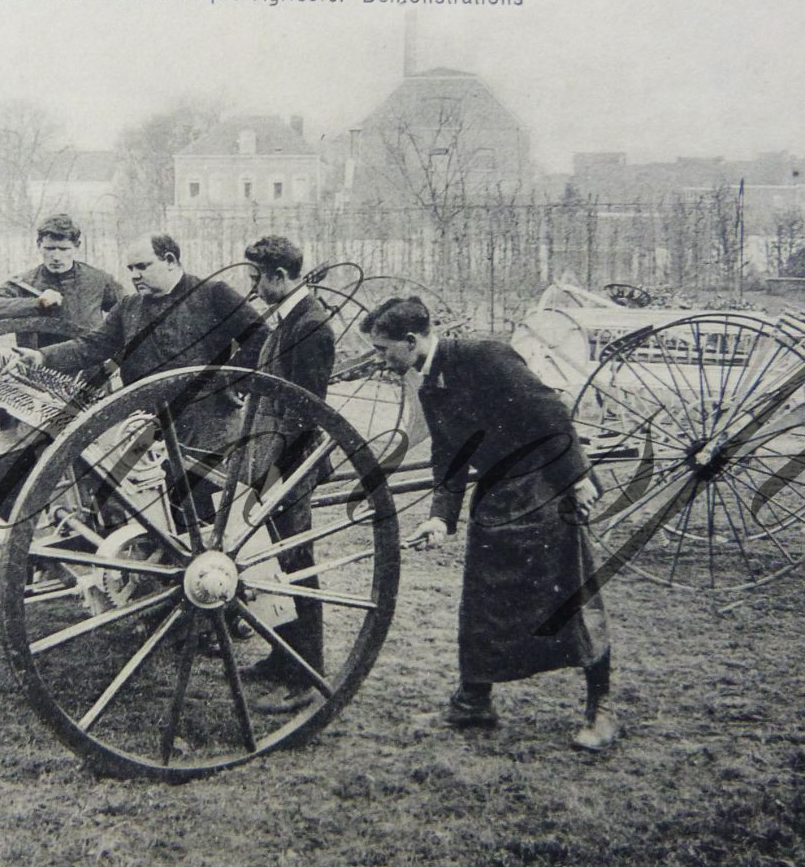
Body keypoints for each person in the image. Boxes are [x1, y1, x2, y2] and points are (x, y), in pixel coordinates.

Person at [362, 296, 618, 750]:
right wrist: (440, 518)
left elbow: (550, 411)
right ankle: (473, 700)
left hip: (547, 486)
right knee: (483, 601)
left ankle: (602, 710)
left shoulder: (485, 357)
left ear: (410, 340)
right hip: (497, 499)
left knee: (571, 600)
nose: (381, 361)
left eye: (384, 350)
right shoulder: (428, 385)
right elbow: (449, 458)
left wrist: (578, 478)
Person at [14, 233, 268, 454]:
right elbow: (93, 344)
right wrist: (42, 357)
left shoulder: (213, 293)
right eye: (130, 269)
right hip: (146, 419)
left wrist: (231, 379)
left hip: (205, 420)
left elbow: (261, 337)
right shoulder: (129, 306)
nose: (134, 275)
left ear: (170, 260)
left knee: (198, 498)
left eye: (142, 267)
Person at [237, 235, 336, 712]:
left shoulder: (310, 324)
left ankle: (304, 675)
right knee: (272, 561)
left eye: (256, 277)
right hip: (270, 457)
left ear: (279, 275)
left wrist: (278, 476)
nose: (251, 286)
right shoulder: (287, 318)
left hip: (289, 463)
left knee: (298, 566)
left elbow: (306, 410)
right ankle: (281, 655)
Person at [0, 213, 124, 348]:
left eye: (64, 249)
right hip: (37, 375)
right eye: (49, 249)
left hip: (90, 375)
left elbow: (130, 313)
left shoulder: (98, 280)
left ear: (77, 247)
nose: (56, 257)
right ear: (39, 245)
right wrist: (35, 303)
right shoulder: (25, 283)